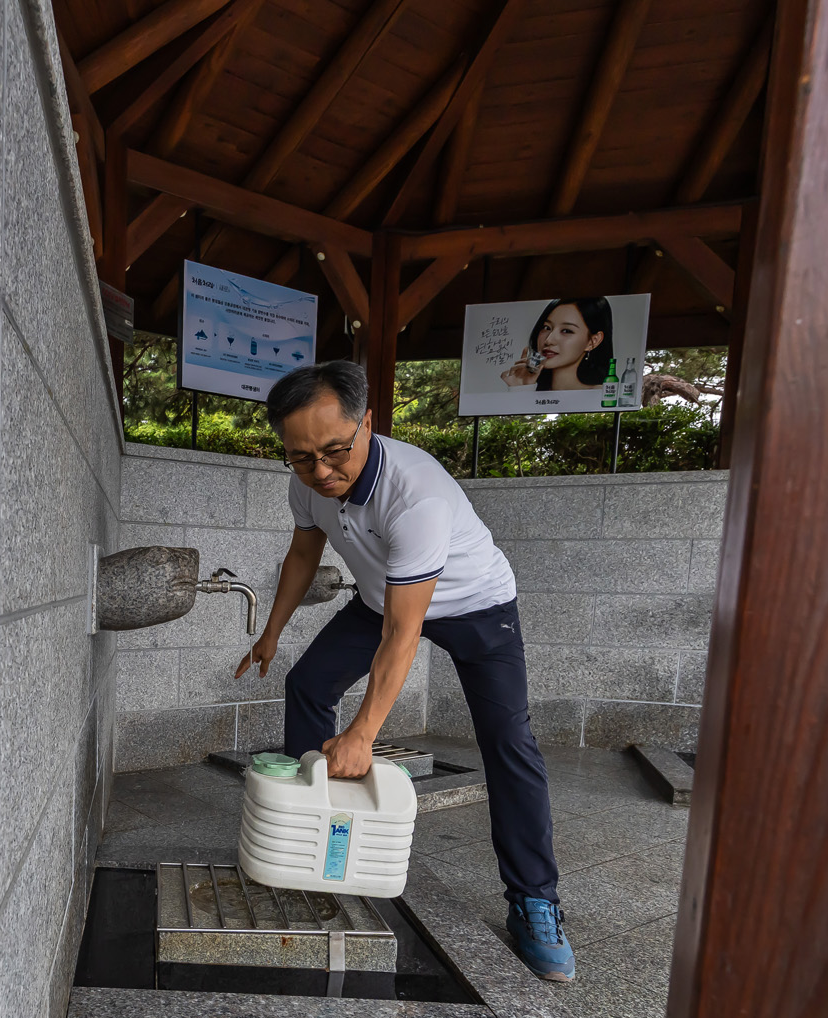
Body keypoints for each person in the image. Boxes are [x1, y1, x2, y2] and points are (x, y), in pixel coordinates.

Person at [233, 361, 573, 982]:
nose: (322, 471)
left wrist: (364, 733)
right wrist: (272, 631)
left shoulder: (417, 494)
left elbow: (403, 632)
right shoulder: (307, 478)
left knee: (509, 742)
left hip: (475, 607)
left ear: (368, 423)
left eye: (336, 451)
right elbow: (304, 551)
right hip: (378, 598)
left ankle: (534, 902)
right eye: (302, 457)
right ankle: (316, 837)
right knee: (307, 685)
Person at [499, 296, 613, 391]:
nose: (549, 340)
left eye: (566, 331)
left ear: (593, 341)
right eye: (546, 327)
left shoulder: (600, 394)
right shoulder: (525, 387)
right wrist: (521, 390)